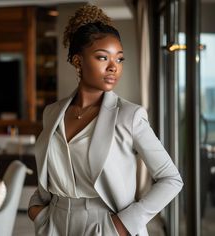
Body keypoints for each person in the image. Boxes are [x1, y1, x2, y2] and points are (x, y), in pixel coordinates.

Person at [28, 4, 183, 236]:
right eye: (103, 57)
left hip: (105, 225)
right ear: (77, 61)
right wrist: (36, 211)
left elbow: (171, 179)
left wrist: (121, 226)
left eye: (119, 60)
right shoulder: (52, 112)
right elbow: (48, 172)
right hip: (54, 222)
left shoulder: (130, 116)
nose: (113, 67)